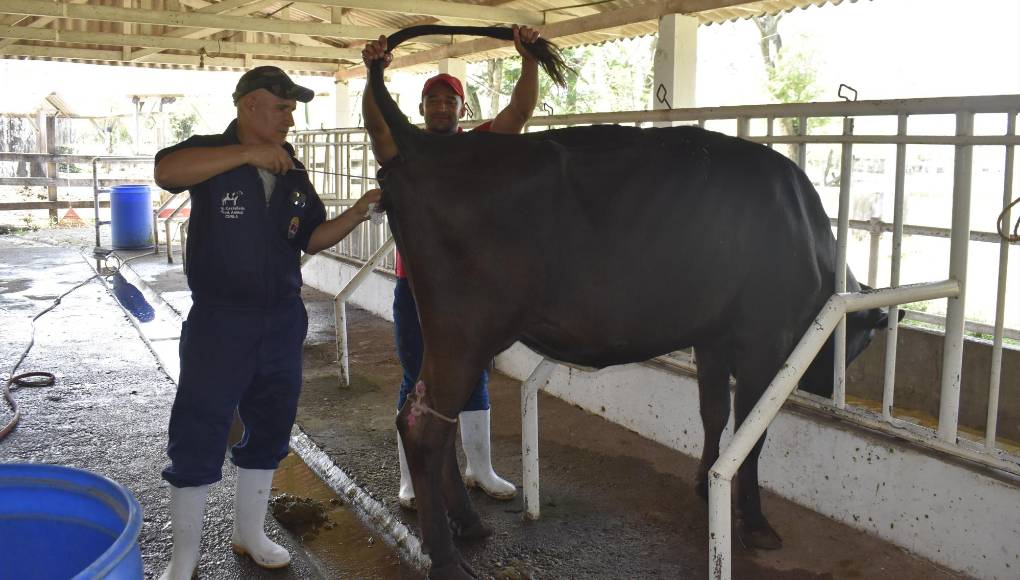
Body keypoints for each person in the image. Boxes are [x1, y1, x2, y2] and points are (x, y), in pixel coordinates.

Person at [153, 65, 381, 580]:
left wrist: (362, 209)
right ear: (249, 105)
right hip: (220, 319)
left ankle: (249, 533)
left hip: (280, 318)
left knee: (273, 422)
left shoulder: (292, 171)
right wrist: (248, 154)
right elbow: (167, 171)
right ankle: (183, 558)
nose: (289, 117)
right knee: (201, 424)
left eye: (292, 108)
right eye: (281, 107)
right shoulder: (210, 151)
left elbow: (313, 237)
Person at [361, 25, 541, 509]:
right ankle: (412, 475)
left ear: (463, 109)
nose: (441, 107)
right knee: (415, 375)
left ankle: (479, 467)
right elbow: (377, 125)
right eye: (433, 101)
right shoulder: (405, 149)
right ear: (421, 110)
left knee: (473, 375)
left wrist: (527, 59)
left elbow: (520, 112)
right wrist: (373, 73)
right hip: (416, 286)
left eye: (449, 101)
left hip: (471, 288)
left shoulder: (480, 144)